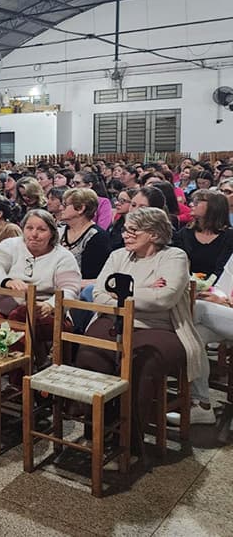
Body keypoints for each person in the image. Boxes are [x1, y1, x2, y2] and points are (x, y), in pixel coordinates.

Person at [80, 207, 206, 456]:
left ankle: (129, 441)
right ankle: (97, 430)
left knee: (141, 365)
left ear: (153, 234)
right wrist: (146, 288)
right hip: (113, 320)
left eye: (132, 230)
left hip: (160, 327)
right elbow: (98, 293)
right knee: (89, 354)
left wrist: (122, 292)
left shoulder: (174, 256)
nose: (125, 234)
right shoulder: (118, 255)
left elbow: (164, 300)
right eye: (125, 229)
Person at [0, 209, 82, 370]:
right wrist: (7, 281)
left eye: (41, 230)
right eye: (29, 228)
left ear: (52, 233)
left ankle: (18, 383)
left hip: (43, 311)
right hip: (3, 305)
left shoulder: (63, 256)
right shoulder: (10, 245)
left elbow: (70, 289)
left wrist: (50, 305)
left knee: (18, 322)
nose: (34, 234)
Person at [169, 253, 233, 426]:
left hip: (227, 311)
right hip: (226, 315)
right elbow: (221, 287)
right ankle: (203, 406)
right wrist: (216, 296)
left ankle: (155, 329)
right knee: (194, 335)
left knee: (200, 309)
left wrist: (226, 303)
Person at [173, 189, 233, 280]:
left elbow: (222, 269)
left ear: (214, 206)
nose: (191, 205)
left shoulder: (229, 236)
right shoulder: (185, 232)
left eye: (197, 202)